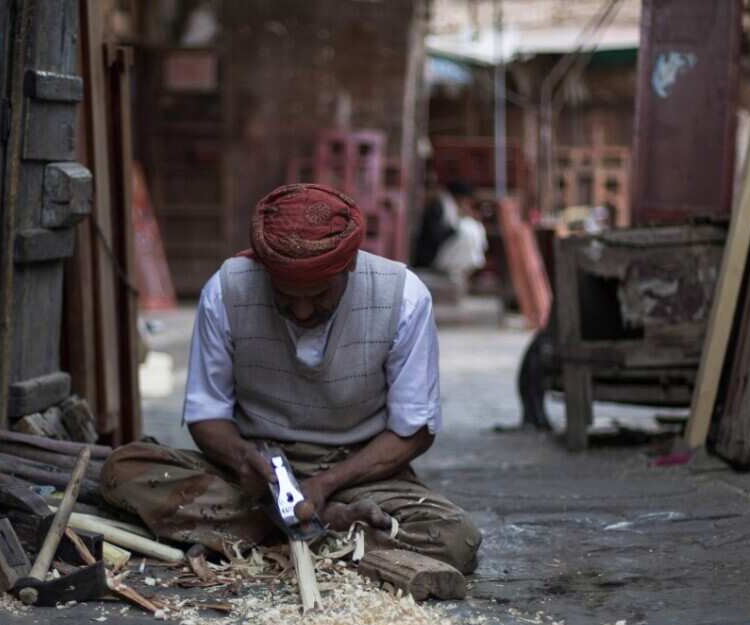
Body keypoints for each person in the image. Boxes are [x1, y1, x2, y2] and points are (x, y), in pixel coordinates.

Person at [100, 183, 482, 574]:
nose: (301, 312)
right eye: (286, 297)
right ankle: (328, 529)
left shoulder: (403, 297)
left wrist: (325, 483)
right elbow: (206, 414)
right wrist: (245, 459)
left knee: (454, 537)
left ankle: (276, 531)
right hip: (256, 474)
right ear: (266, 271)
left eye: (318, 297)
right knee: (121, 470)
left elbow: (413, 431)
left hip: (359, 469)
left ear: (348, 267)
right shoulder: (227, 289)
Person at [431, 182, 488, 291]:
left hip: (443, 248)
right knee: (468, 228)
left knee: (473, 226)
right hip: (433, 253)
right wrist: (459, 224)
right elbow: (436, 235)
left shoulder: (450, 206)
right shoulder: (440, 206)